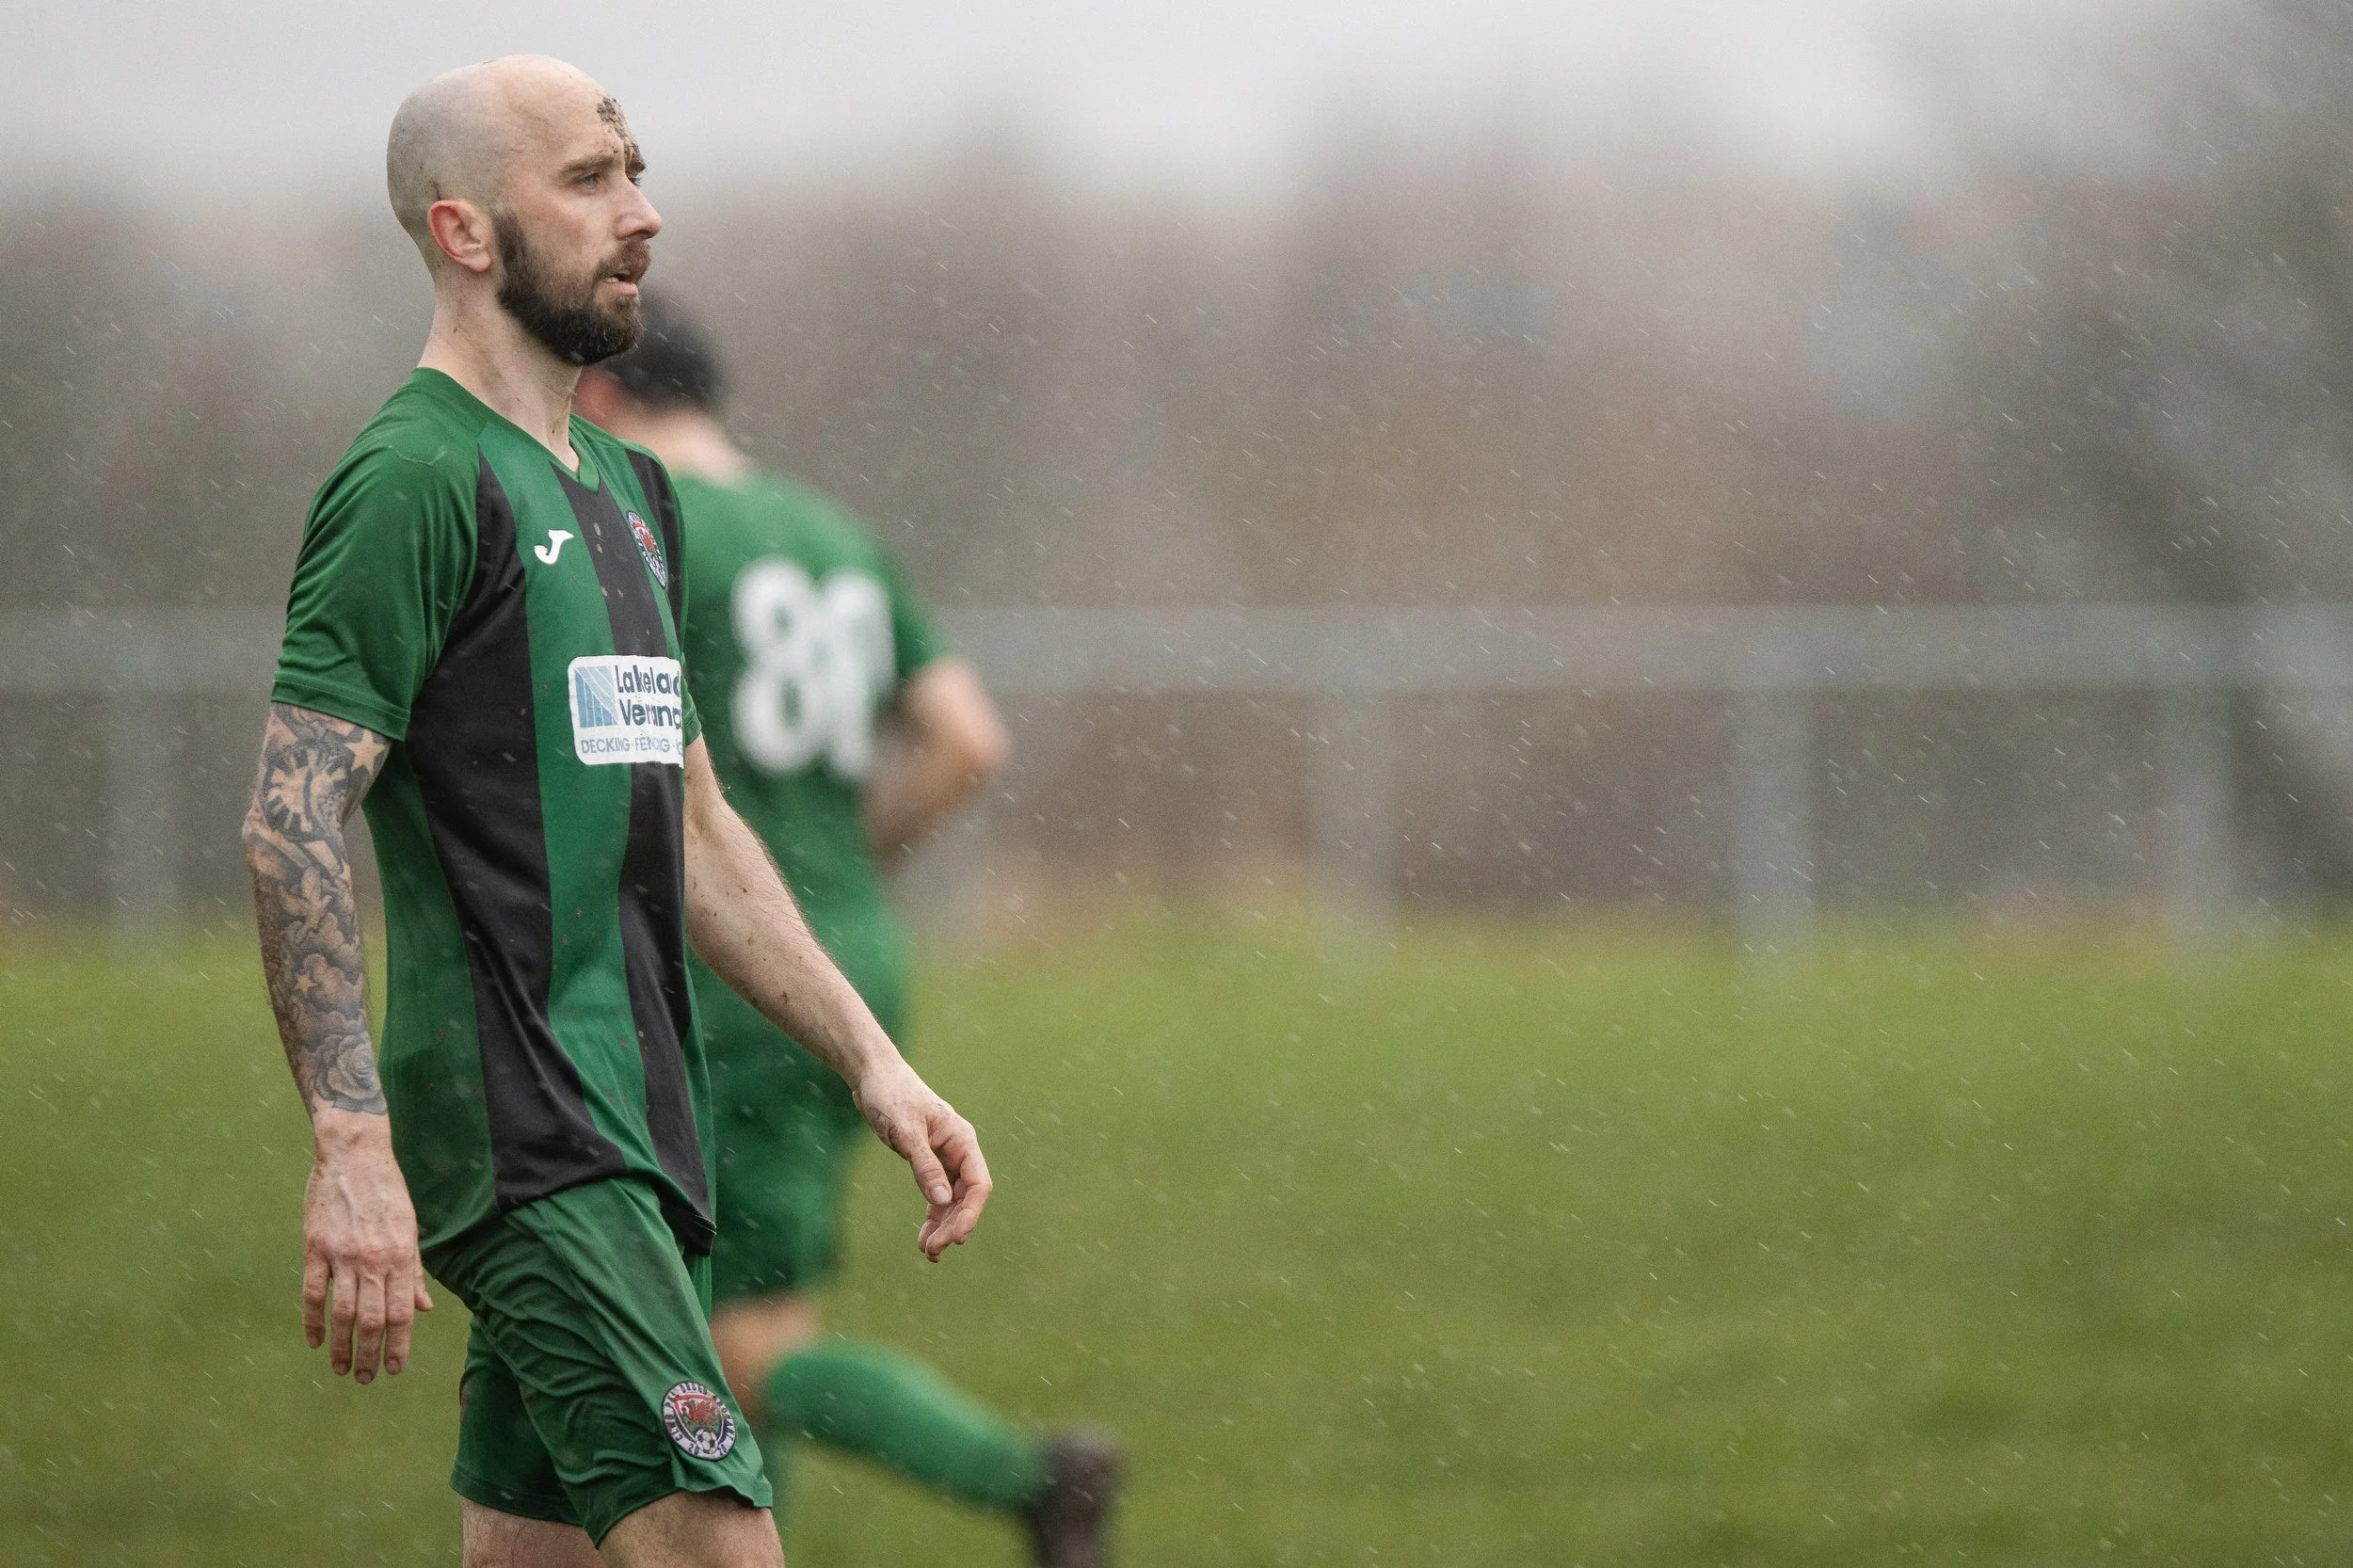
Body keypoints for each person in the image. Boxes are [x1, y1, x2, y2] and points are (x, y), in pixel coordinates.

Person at [242, 56, 991, 1568]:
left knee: (532, 1552)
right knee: (722, 1542)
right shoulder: (412, 479)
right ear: (465, 233)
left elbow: (699, 825)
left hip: (646, 1122)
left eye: (634, 170)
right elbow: (291, 817)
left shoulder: (628, 491)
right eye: (588, 181)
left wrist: (871, 1058)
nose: (640, 214)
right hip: (527, 1132)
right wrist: (349, 1139)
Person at [574, 294, 1123, 1567]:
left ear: (598, 400)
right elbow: (965, 739)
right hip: (849, 951)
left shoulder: (641, 523)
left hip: (721, 970)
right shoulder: (831, 531)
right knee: (746, 1331)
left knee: (724, 1349)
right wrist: (845, 860)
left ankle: (1034, 1478)